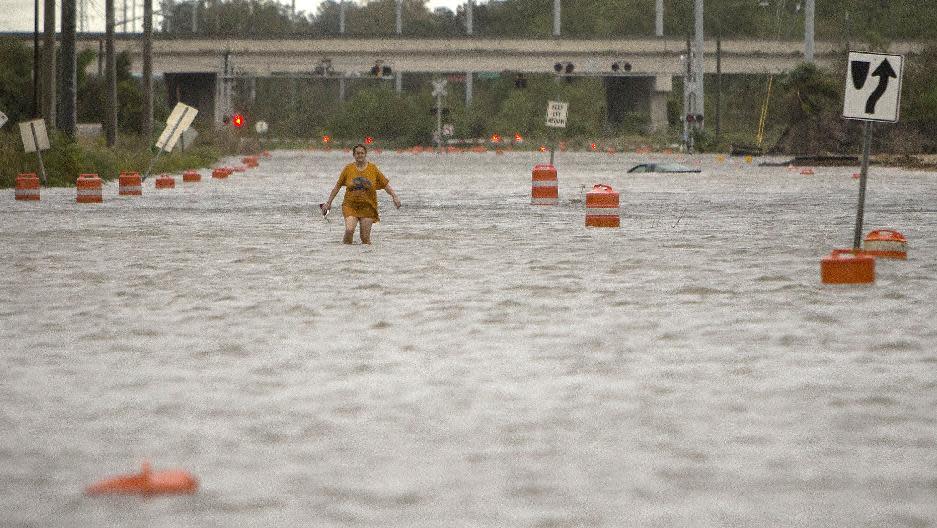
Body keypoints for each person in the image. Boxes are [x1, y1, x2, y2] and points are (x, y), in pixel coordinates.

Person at [322, 144, 401, 244]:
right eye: (357, 153)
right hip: (350, 205)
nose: (360, 155)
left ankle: (365, 256)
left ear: (365, 154)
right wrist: (328, 203)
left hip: (368, 207)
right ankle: (346, 253)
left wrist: (395, 197)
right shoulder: (348, 169)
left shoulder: (373, 168)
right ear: (354, 155)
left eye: (362, 153)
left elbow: (385, 185)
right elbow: (337, 187)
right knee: (349, 230)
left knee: (365, 238)